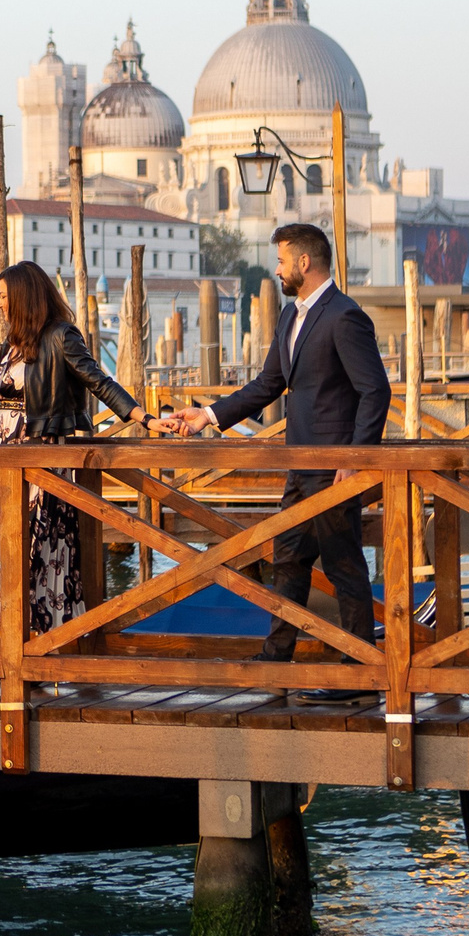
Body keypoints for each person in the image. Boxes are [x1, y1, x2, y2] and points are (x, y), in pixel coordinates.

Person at [160, 221, 390, 701]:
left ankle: (361, 672)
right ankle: (277, 658)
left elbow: (376, 391)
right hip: (298, 464)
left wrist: (355, 458)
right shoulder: (290, 316)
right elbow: (268, 385)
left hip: (334, 468)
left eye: (282, 260)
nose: (277, 269)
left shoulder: (345, 316)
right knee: (288, 558)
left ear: (305, 262)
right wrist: (208, 416)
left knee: (344, 563)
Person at [0, 260, 150, 634]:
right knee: (0, 549)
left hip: (40, 461)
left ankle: (37, 640)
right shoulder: (7, 348)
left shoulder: (60, 336)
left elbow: (99, 381)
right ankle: (1, 641)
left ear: (23, 296)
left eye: (3, 296)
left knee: (34, 549)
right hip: (3, 464)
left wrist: (144, 418)